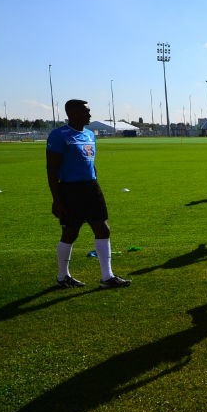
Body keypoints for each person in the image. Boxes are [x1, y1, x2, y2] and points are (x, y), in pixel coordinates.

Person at [46, 99, 130, 289]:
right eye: (86, 112)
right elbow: (51, 170)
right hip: (70, 189)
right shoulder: (59, 135)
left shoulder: (90, 135)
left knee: (103, 229)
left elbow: (91, 163)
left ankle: (107, 277)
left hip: (91, 187)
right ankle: (62, 276)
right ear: (72, 114)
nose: (90, 115)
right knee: (70, 232)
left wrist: (95, 182)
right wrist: (56, 200)